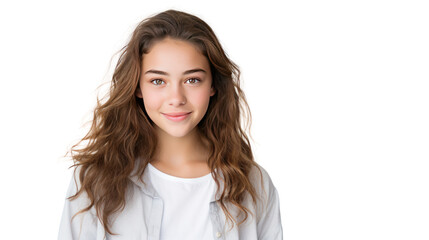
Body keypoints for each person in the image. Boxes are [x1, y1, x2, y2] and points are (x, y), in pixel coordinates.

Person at [58, 9, 283, 240]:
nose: (176, 98)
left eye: (192, 80)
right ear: (137, 87)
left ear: (213, 85)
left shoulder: (254, 184)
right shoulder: (95, 180)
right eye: (158, 81)